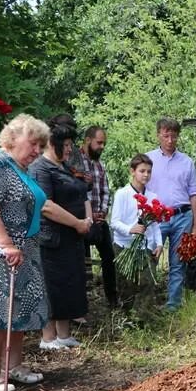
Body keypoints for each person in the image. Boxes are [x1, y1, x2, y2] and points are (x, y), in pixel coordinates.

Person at [0, 115, 68, 391]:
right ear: (13, 138)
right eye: (33, 143)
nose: (37, 150)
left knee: (20, 308)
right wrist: (6, 244)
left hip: (24, 247)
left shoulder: (21, 168)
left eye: (41, 145)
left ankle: (12, 366)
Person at [29, 121, 93, 350]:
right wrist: (76, 223)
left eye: (70, 145)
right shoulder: (40, 169)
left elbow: (82, 194)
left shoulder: (63, 167)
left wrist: (86, 220)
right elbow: (45, 206)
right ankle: (48, 338)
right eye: (65, 145)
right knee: (51, 287)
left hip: (71, 239)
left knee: (69, 285)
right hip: (51, 240)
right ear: (52, 144)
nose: (69, 150)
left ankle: (64, 335)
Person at [145, 117, 196, 311]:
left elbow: (194, 194)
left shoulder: (186, 162)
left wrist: (195, 226)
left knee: (178, 261)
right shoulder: (148, 159)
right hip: (156, 217)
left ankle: (173, 304)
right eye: (166, 135)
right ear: (159, 134)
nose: (170, 140)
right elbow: (140, 190)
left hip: (182, 216)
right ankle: (147, 302)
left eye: (174, 136)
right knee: (150, 258)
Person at [110, 154, 163, 301]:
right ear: (132, 171)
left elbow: (155, 224)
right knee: (126, 285)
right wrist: (130, 229)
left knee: (147, 282)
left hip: (146, 247)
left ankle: (143, 320)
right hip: (124, 246)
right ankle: (127, 319)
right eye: (142, 171)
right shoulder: (122, 194)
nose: (146, 174)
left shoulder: (152, 196)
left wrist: (158, 243)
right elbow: (114, 222)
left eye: (149, 171)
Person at [79, 125, 118, 307]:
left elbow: (105, 190)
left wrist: (102, 211)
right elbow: (78, 191)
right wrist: (89, 215)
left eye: (104, 143)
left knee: (109, 258)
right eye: (99, 142)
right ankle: (81, 303)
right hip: (81, 220)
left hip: (99, 219)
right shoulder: (76, 162)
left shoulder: (99, 164)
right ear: (88, 140)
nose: (102, 146)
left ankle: (112, 298)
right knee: (82, 262)